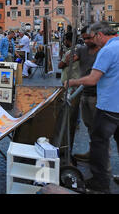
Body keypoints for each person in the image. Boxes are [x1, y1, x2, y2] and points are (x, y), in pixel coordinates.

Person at [67, 22, 119, 194]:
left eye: (93, 37)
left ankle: (100, 182)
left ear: (99, 35)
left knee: (99, 143)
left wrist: (72, 82)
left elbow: (92, 79)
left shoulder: (107, 50)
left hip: (109, 106)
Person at [70, 26, 101, 163]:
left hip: (99, 95)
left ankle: (100, 158)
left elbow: (94, 78)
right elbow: (68, 61)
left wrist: (73, 82)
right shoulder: (82, 50)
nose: (87, 41)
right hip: (85, 93)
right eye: (84, 39)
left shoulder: (103, 51)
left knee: (100, 129)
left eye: (89, 38)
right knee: (89, 125)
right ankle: (92, 152)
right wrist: (69, 55)